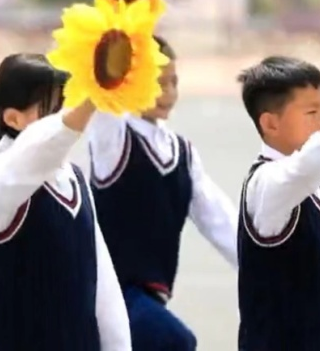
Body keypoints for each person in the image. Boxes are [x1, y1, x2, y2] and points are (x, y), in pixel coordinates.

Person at [0, 53, 131, 350]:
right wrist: (91, 97)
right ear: (13, 119)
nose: (63, 116)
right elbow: (37, 151)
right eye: (50, 109)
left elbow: (103, 290)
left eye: (64, 105)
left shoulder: (75, 181)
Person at [88, 36, 237, 351]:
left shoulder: (183, 154)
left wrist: (271, 263)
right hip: (104, 296)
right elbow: (104, 96)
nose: (168, 92)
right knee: (174, 341)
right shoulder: (113, 142)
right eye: (158, 82)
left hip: (147, 302)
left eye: (173, 82)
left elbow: (219, 221)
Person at [236, 56, 320, 351]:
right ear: (270, 123)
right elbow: (306, 165)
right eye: (311, 112)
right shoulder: (267, 186)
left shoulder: (317, 189)